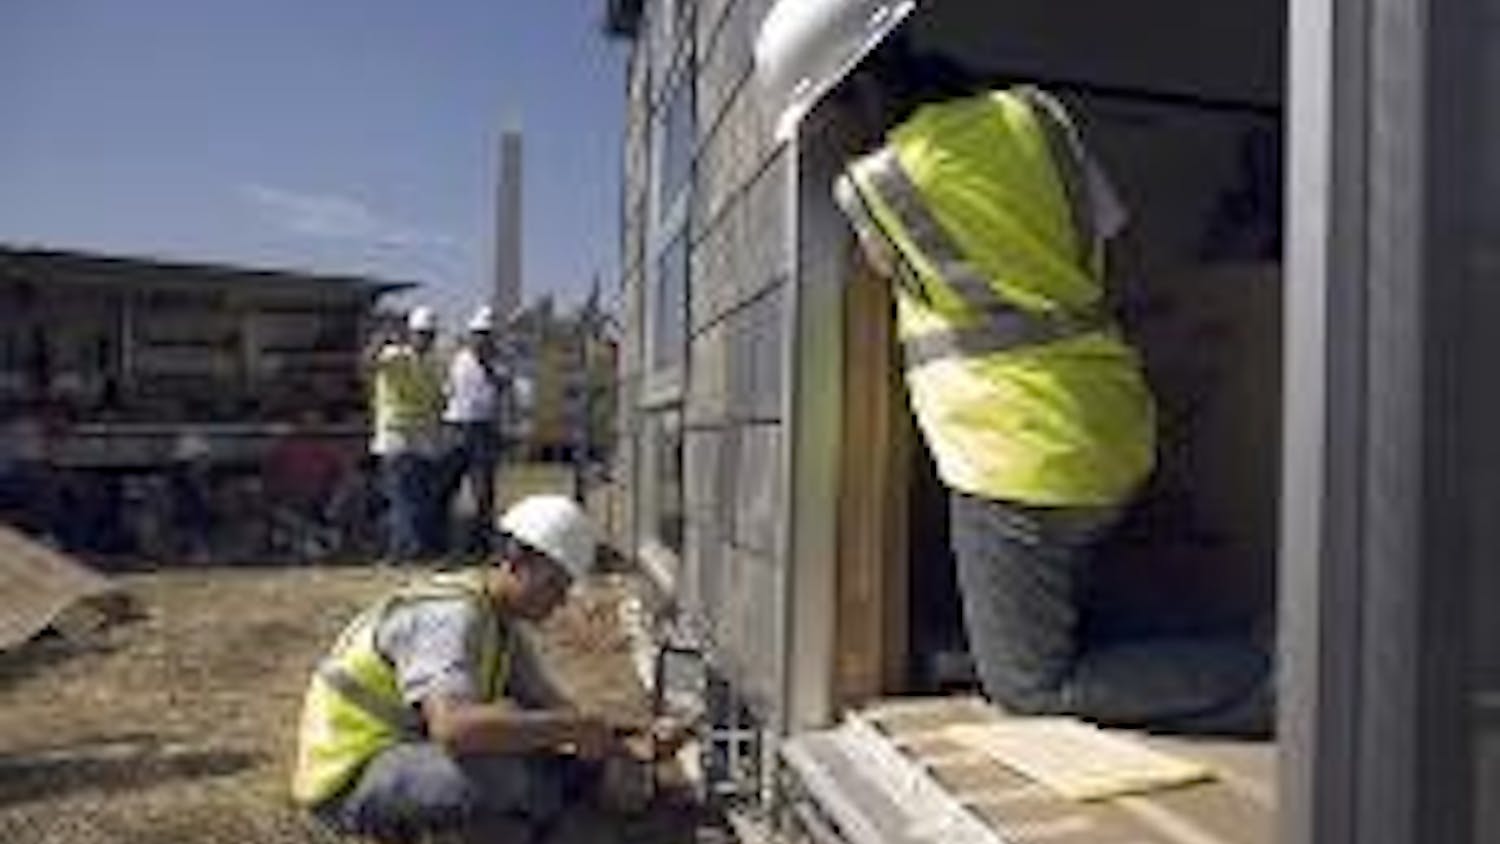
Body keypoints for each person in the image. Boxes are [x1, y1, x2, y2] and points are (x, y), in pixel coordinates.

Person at [833, 85, 1270, 733]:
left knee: (1029, 684)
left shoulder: (878, 181)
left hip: (1012, 456)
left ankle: (1271, 680)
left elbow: (876, 262)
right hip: (1109, 421)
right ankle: (1232, 647)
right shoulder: (1040, 123)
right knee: (1084, 602)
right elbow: (1113, 241)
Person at [291, 495, 681, 842]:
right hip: (349, 778)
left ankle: (536, 812)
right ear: (516, 561)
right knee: (503, 772)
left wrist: (635, 744)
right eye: (555, 585)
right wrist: (574, 733)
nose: (561, 602)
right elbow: (455, 729)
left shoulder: (498, 624)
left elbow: (561, 716)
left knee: (522, 753)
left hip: (403, 755)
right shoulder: (450, 617)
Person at [367, 306, 447, 561]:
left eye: (428, 335)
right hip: (402, 437)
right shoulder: (399, 357)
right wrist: (382, 339)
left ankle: (406, 549)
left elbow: (439, 402)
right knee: (405, 497)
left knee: (408, 497)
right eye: (422, 334)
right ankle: (405, 549)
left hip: (412, 438)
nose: (425, 339)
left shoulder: (428, 362)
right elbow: (369, 362)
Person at [442, 305, 509, 556]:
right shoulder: (457, 359)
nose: (482, 340)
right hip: (456, 426)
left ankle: (480, 545)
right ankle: (447, 540)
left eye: (487, 335)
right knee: (448, 487)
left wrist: (490, 368)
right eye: (478, 334)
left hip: (484, 429)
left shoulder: (499, 363)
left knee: (483, 491)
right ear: (470, 335)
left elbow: (503, 388)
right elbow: (446, 391)